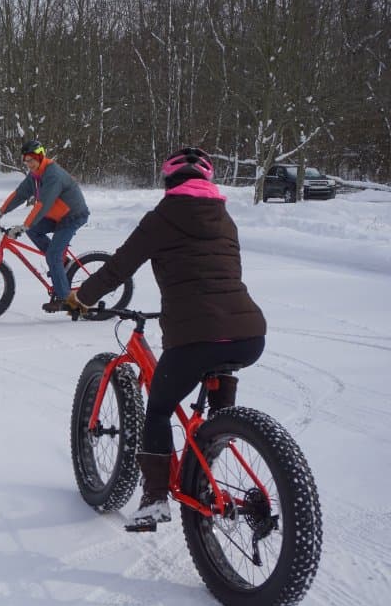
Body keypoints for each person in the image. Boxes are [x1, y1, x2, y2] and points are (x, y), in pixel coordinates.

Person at [66, 147, 266, 530]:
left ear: (168, 183)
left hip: (195, 335)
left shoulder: (162, 218)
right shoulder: (225, 218)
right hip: (248, 333)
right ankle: (215, 445)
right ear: (207, 182)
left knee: (158, 408)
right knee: (214, 380)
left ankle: (155, 497)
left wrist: (80, 297)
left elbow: (119, 267)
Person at [0, 140, 90, 312]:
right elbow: (20, 194)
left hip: (73, 216)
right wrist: (0, 212)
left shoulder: (52, 175)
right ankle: (62, 262)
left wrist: (24, 225)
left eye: (31, 160)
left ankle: (64, 298)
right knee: (36, 232)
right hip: (57, 216)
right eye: (25, 161)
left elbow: (42, 204)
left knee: (52, 254)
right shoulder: (35, 175)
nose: (28, 164)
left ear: (40, 157)